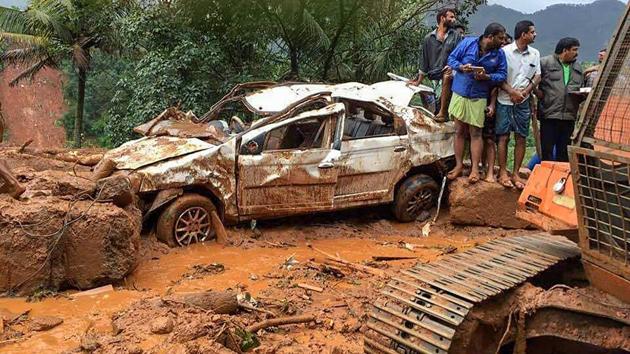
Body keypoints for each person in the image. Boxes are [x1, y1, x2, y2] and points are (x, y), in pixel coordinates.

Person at [446, 23, 508, 183]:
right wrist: (461, 67)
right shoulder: (468, 43)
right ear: (490, 36)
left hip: (479, 95)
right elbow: (451, 58)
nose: (503, 41)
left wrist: (487, 77)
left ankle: (475, 169)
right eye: (500, 38)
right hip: (460, 91)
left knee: (476, 133)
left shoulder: (499, 54)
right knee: (459, 131)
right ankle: (459, 165)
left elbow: (502, 75)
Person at [495, 20, 541, 189]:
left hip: (523, 100)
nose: (535, 34)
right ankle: (502, 172)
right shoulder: (504, 52)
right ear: (523, 34)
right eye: (532, 32)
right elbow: (497, 77)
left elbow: (537, 76)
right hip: (504, 99)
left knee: (521, 136)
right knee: (503, 137)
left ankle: (515, 173)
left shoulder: (535, 53)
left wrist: (526, 92)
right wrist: (511, 92)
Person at [410, 8, 462, 122]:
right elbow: (424, 61)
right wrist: (419, 80)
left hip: (450, 73)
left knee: (448, 76)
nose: (454, 19)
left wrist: (453, 66)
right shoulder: (429, 38)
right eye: (451, 17)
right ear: (443, 18)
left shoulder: (456, 36)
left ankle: (443, 112)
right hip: (434, 75)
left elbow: (460, 54)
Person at [538, 37, 585, 162]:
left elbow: (581, 87)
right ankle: (545, 178)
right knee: (546, 150)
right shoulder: (544, 63)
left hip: (569, 116)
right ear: (565, 50)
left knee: (564, 153)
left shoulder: (578, 68)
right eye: (574, 50)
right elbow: (533, 83)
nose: (577, 53)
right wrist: (540, 95)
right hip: (549, 114)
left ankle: (560, 179)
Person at [483, 34, 513, 183]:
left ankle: (491, 171)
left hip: (498, 101)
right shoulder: (490, 57)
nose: (503, 46)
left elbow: (497, 84)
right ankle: (481, 167)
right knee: (477, 136)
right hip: (481, 97)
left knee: (491, 139)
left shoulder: (504, 62)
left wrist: (492, 104)